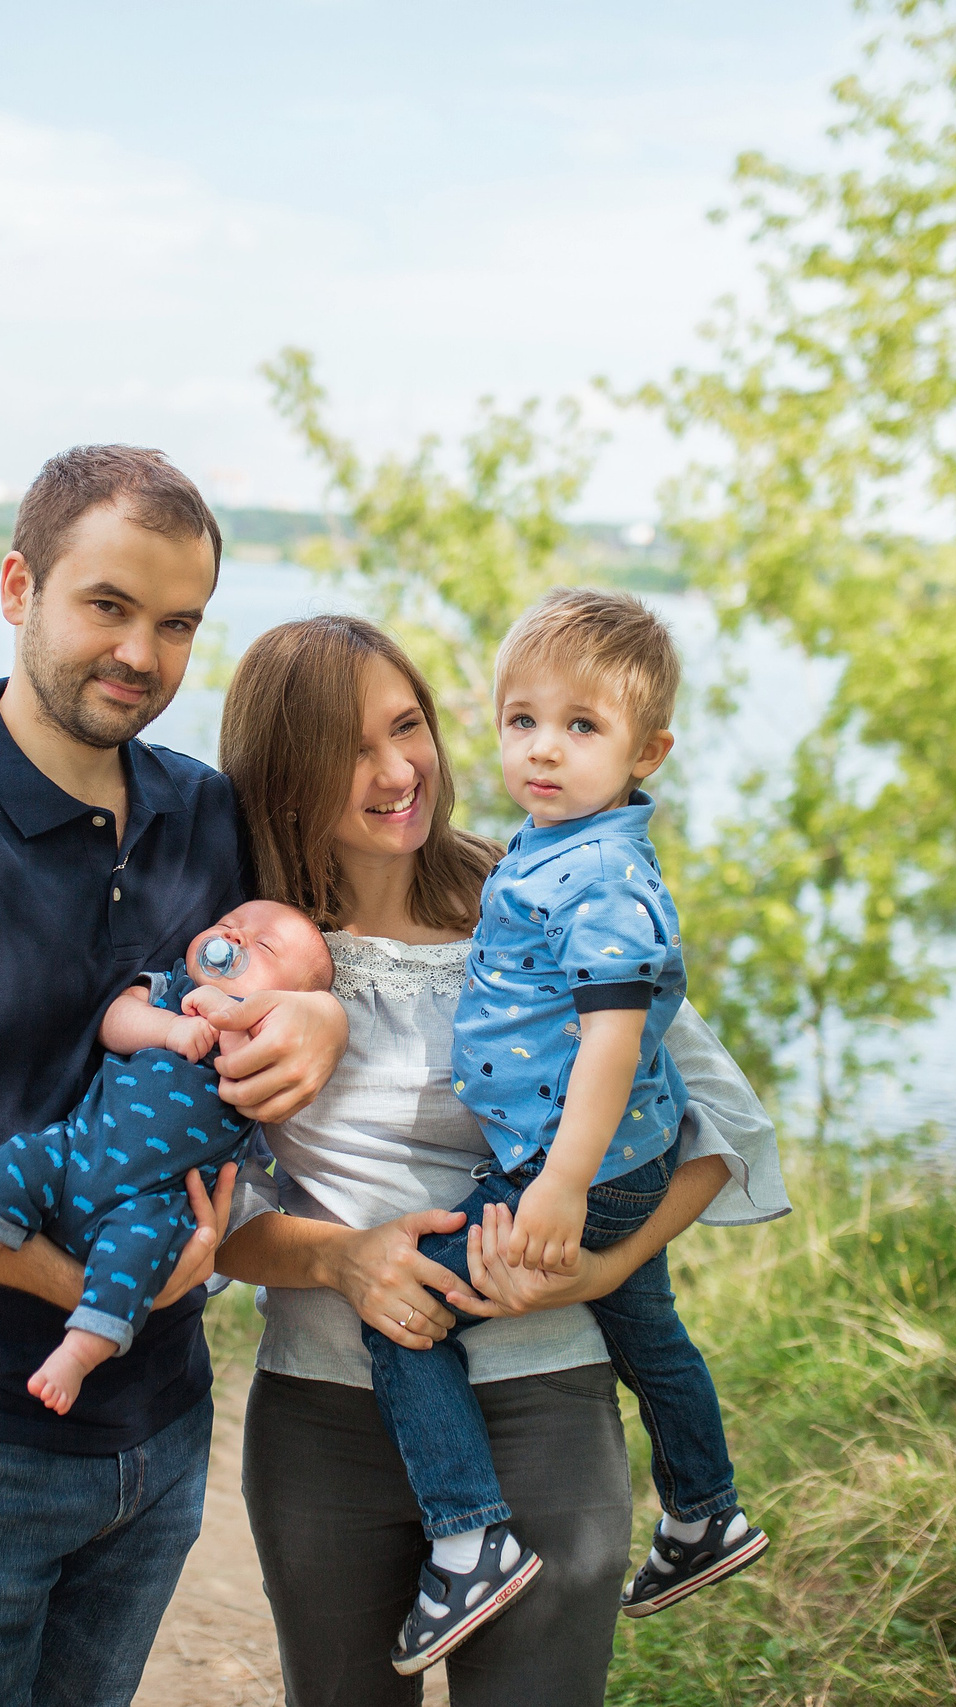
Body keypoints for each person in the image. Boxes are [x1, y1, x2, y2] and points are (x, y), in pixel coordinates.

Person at [0, 446, 347, 1707]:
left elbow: (342, 932)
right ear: (16, 588)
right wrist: (103, 1295)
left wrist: (319, 1013)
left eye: (176, 624)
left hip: (153, 1442)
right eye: (107, 606)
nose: (140, 654)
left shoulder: (207, 818)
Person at [213, 614, 791, 1707]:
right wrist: (344, 1260)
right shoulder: (255, 954)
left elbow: (719, 1129)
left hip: (544, 1398)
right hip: (325, 1422)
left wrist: (611, 1271)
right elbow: (204, 1219)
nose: (396, 772)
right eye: (349, 749)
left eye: (410, 726)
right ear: (284, 775)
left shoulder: (537, 896)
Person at [363, 589, 767, 1673]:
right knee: (646, 1330)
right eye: (521, 720)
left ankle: (466, 1537)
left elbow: (610, 1043)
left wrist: (560, 1187)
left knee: (406, 1311)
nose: (543, 750)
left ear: (649, 750)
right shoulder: (553, 848)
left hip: (573, 1167)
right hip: (604, 1161)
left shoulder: (602, 877)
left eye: (582, 727)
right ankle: (702, 1514)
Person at [0, 900, 334, 1413]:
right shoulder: (169, 989)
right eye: (227, 926)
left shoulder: (266, 1043)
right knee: (14, 1163)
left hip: (153, 1202)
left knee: (135, 1264)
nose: (234, 939)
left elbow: (253, 1078)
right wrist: (168, 1028)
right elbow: (114, 1020)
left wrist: (236, 1021)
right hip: (79, 1150)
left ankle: (77, 1355)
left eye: (262, 946)